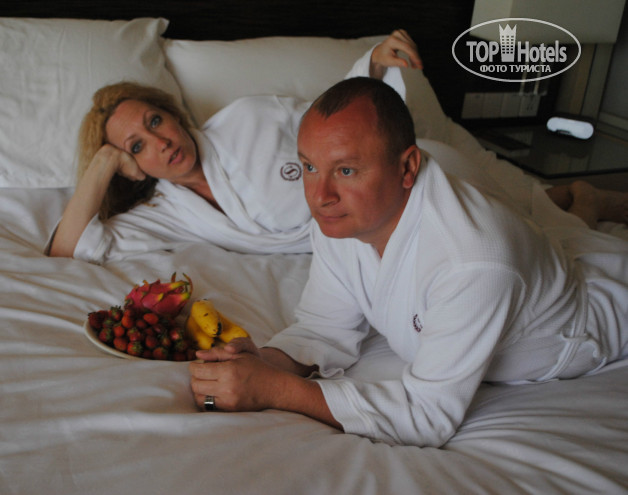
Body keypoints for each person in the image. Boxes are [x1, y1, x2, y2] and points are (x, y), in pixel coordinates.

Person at [188, 77, 628, 448]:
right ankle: (584, 203)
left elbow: (427, 415)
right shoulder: (342, 215)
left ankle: (585, 206)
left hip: (595, 316)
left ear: (407, 167)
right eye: (308, 167)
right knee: (557, 236)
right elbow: (324, 326)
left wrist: (275, 389)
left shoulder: (473, 260)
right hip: (540, 259)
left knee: (571, 252)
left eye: (346, 170)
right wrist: (265, 359)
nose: (319, 196)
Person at [47, 30, 627, 261]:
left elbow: (333, 119)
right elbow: (68, 249)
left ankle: (579, 204)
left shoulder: (245, 120)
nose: (159, 141)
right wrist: (101, 165)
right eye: (136, 146)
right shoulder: (169, 212)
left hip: (406, 181)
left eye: (155, 120)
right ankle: (581, 201)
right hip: (369, 238)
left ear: (173, 114)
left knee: (532, 246)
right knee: (524, 239)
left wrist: (369, 64)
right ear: (131, 167)